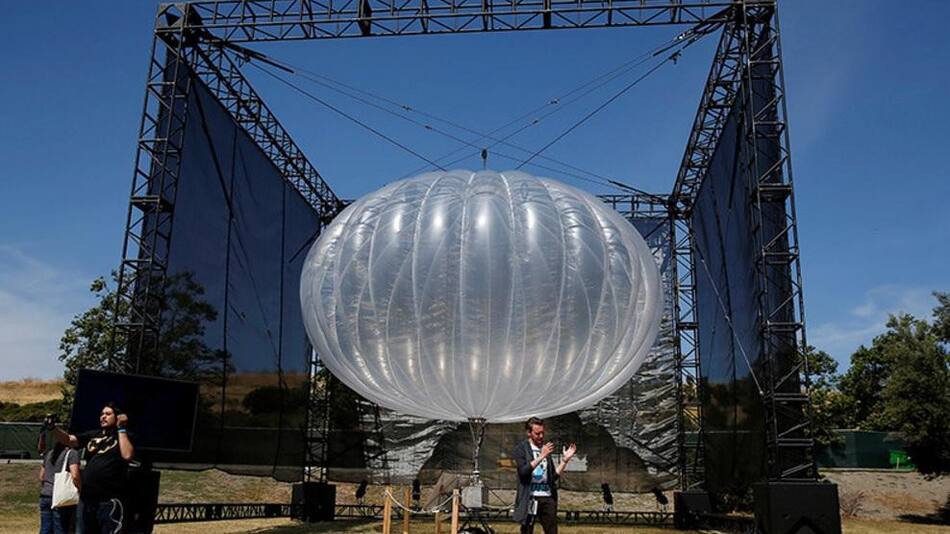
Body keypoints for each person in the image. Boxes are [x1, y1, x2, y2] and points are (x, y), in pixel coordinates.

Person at [49, 402, 134, 534]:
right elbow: (69, 440)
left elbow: (127, 455)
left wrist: (121, 429)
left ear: (117, 417)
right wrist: (53, 428)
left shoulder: (124, 436)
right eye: (101, 414)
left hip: (109, 500)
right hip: (87, 498)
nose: (103, 417)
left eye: (108, 414)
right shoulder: (94, 434)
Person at [512, 417, 576, 534]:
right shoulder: (522, 449)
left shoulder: (545, 449)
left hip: (547, 497)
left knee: (551, 530)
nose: (541, 436)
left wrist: (565, 461)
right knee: (527, 529)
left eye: (542, 433)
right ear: (529, 433)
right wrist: (541, 456)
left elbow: (552, 477)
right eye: (537, 434)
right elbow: (523, 472)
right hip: (530, 497)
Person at [38, 440, 81, 534]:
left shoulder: (49, 453)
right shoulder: (72, 453)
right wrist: (80, 488)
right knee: (61, 528)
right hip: (60, 498)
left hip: (45, 495)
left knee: (45, 528)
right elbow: (75, 476)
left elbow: (41, 476)